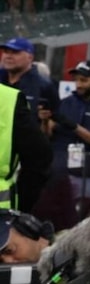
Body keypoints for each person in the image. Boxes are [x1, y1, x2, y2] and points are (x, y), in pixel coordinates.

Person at [0, 83, 51, 212]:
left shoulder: (8, 99)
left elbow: (38, 156)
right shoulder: (7, 99)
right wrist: (23, 207)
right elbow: (39, 156)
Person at [0, 37, 57, 114]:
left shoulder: (43, 86)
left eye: (15, 52)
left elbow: (56, 115)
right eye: (6, 52)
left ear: (30, 57)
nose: (8, 56)